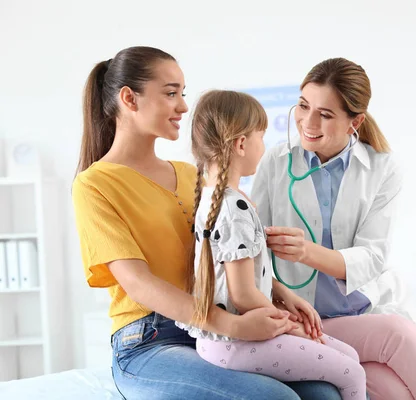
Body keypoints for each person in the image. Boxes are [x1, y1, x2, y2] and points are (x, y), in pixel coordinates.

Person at [72, 46, 343, 400]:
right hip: (150, 342)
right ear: (129, 99)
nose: (184, 106)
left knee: (324, 392)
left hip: (213, 332)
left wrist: (281, 293)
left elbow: (224, 253)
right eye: (171, 93)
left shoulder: (191, 176)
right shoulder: (95, 185)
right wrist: (232, 325)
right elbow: (138, 283)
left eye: (182, 94)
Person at [252, 57, 416, 400]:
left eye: (325, 113)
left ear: (355, 122)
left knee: (395, 388)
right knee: (397, 338)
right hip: (305, 320)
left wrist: (307, 252)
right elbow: (252, 251)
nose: (308, 121)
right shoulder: (276, 162)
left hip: (359, 313)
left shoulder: (383, 167)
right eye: (303, 106)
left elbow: (372, 256)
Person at [176, 89, 367, 399]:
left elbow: (246, 277)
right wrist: (289, 324)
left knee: (350, 357)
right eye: (260, 137)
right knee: (352, 371)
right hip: (236, 343)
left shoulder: (219, 199)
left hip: (230, 338)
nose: (264, 147)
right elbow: (243, 294)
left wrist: (285, 295)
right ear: (241, 144)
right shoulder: (232, 209)